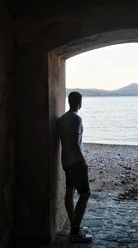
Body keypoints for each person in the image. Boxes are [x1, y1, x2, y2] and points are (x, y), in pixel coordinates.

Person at [58, 91, 93, 243]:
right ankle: (75, 232)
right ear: (79, 103)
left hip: (65, 161)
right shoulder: (77, 119)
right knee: (85, 193)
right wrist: (83, 161)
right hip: (75, 163)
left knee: (70, 190)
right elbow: (74, 143)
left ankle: (74, 225)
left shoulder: (62, 119)